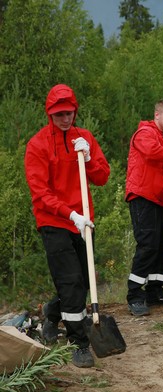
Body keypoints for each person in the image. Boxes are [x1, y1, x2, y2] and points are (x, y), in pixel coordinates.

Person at [25, 84, 110, 368]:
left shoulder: (84, 138)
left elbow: (102, 177)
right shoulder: (38, 145)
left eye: (69, 113)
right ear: (50, 114)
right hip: (53, 220)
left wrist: (89, 158)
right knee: (71, 282)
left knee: (82, 282)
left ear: (75, 111)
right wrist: (69, 214)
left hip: (84, 221)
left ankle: (52, 312)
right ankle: (79, 343)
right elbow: (40, 193)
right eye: (59, 114)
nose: (65, 119)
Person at [125, 100, 163, 316]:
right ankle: (134, 295)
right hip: (142, 196)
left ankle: (154, 291)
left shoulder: (162, 138)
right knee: (147, 246)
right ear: (157, 114)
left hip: (158, 197)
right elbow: (155, 153)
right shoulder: (144, 133)